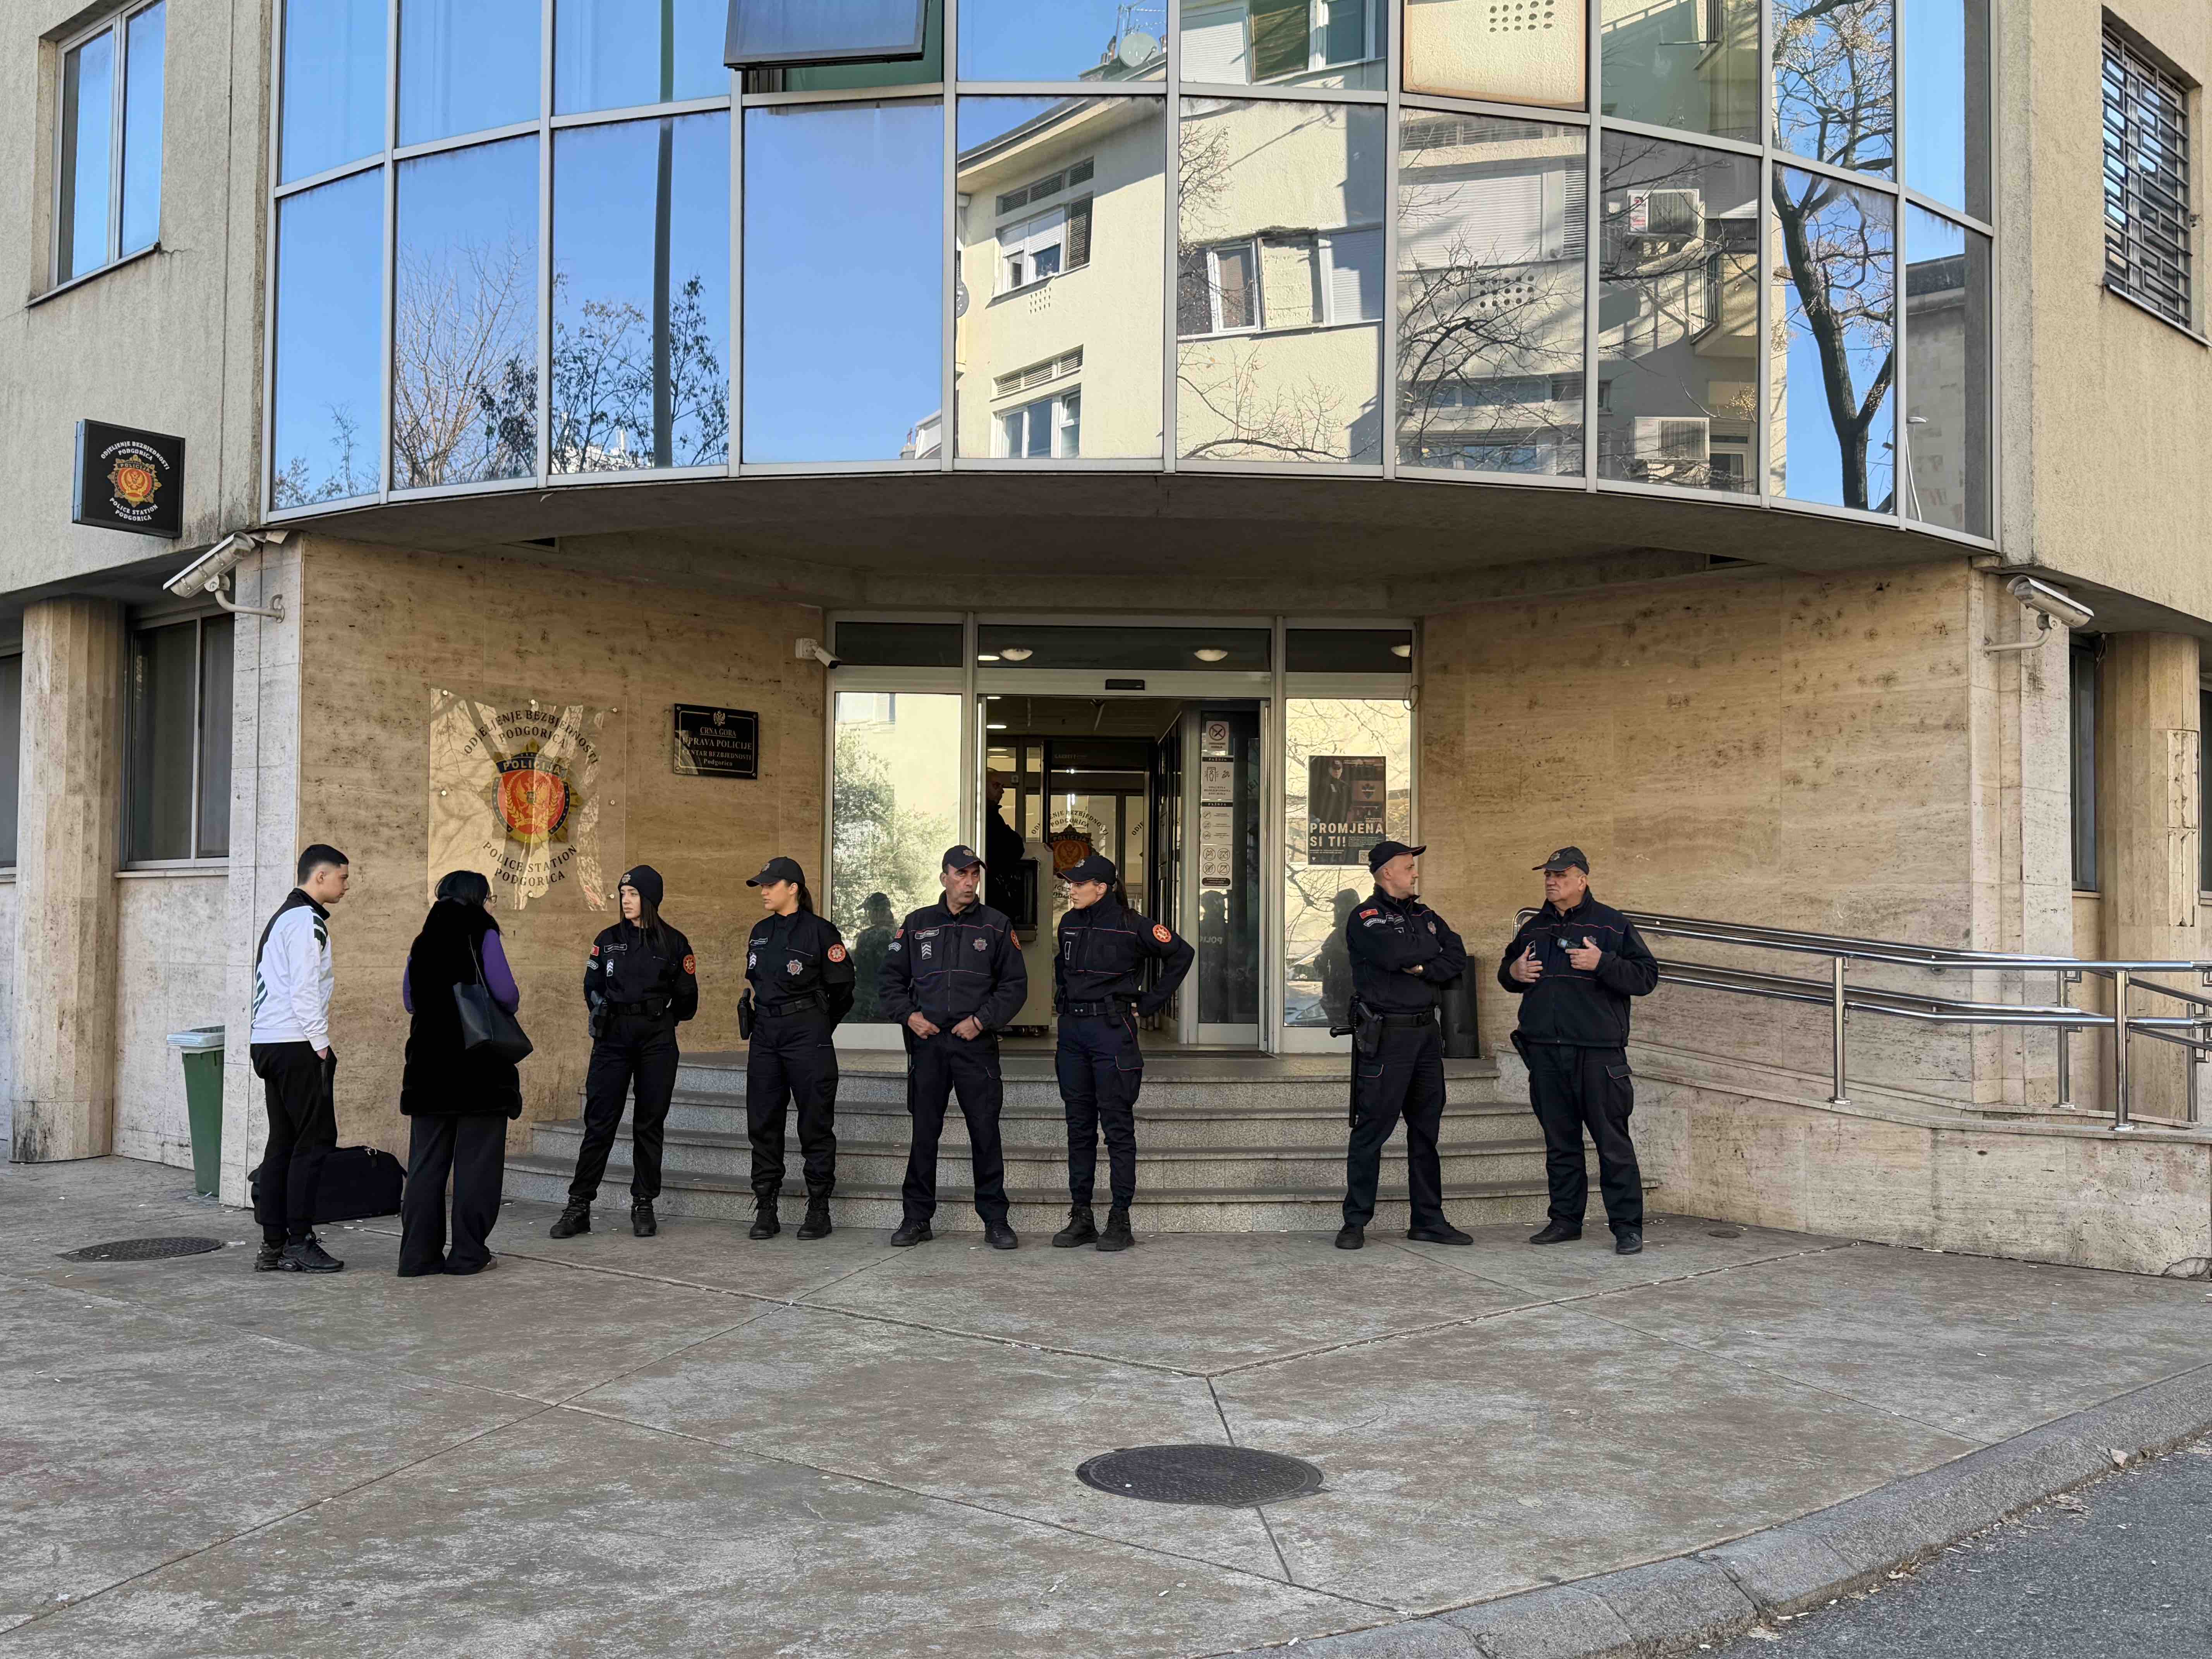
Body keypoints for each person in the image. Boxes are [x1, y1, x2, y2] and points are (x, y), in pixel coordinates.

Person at [1498, 847, 1660, 1255]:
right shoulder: (1534, 927)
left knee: (1613, 1144)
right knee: (1560, 1142)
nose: (1551, 881)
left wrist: (1602, 962)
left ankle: (1627, 1227)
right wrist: (1514, 973)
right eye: (1547, 875)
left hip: (1598, 1054)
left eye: (1560, 874)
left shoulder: (1612, 924)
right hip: (1546, 1053)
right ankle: (1565, 1221)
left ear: (1582, 879)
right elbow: (1508, 971)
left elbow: (1646, 977)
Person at [878, 845, 1028, 1249]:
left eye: (974, 875)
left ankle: (996, 1221)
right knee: (925, 1133)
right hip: (928, 1046)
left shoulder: (996, 925)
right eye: (961, 875)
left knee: (985, 1132)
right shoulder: (916, 924)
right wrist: (909, 1015)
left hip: (975, 1046)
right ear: (944, 877)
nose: (968, 882)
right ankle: (916, 1219)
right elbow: (890, 981)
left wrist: (981, 1020)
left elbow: (1014, 986)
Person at [1048, 853, 1193, 1252]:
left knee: (1117, 1129)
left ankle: (1120, 1219)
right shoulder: (1069, 923)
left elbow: (1182, 954)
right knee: (1079, 1128)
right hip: (1074, 1033)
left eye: (1079, 884)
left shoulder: (1134, 926)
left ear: (1102, 888)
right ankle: (1081, 1217)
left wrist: (1150, 1003)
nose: (1071, 889)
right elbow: (1064, 970)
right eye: (1070, 884)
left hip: (1112, 1034)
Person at [1335, 840, 1472, 1252]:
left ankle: (1428, 1220)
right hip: (1387, 1036)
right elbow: (1396, 954)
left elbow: (1457, 955)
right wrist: (1425, 961)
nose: (1415, 873)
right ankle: (1355, 1222)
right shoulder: (1366, 916)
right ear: (1387, 873)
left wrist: (1422, 966)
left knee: (1426, 1130)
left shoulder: (1427, 915)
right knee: (1372, 1131)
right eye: (1409, 867)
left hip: (1426, 1035)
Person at [549, 866, 698, 1241]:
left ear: (650, 899)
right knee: (600, 1121)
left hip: (656, 1039)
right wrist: (600, 1006)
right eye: (622, 894)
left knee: (650, 1123)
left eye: (632, 894)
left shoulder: (675, 943)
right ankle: (579, 1205)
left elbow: (688, 1002)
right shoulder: (608, 939)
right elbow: (591, 984)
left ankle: (644, 1202)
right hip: (612, 1038)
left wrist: (658, 1019)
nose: (625, 900)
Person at [397, 871, 522, 1276]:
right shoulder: (481, 929)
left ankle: (418, 1257)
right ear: (478, 896)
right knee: (476, 1166)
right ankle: (468, 1255)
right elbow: (505, 993)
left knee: (425, 1166)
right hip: (478, 1067)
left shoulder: (423, 938)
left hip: (429, 1069)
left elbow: (410, 999)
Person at [740, 856, 855, 1240]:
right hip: (766, 1033)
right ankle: (766, 1207)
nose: (765, 891)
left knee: (815, 1122)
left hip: (807, 1031)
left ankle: (818, 1208)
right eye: (762, 885)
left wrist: (819, 1024)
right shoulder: (759, 931)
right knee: (763, 1121)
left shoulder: (821, 932)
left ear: (794, 888)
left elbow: (843, 989)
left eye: (771, 885)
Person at [248, 844, 350, 1274]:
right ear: (321, 877)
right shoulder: (308, 922)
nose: (347, 886)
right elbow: (305, 990)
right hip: (296, 1043)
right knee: (312, 1144)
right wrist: (321, 1046)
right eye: (343, 878)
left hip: (268, 1042)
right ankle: (299, 1240)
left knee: (283, 1144)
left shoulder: (282, 918)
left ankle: (274, 1244)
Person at [984, 773, 1029, 922]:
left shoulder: (993, 815)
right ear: (981, 787)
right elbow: (1014, 846)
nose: (1002, 791)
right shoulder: (983, 816)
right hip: (991, 894)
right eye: (997, 786)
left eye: (1003, 787)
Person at [848, 891, 897, 1023]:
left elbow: (860, 968)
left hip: (869, 1003)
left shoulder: (868, 936)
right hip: (895, 1001)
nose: (868, 915)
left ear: (877, 911)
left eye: (869, 911)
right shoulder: (902, 933)